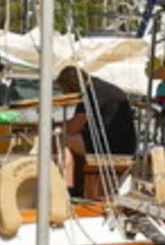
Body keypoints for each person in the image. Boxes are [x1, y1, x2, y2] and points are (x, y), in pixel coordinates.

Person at [55, 64, 138, 195]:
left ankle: (61, 188)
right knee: (69, 139)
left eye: (65, 89)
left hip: (113, 147)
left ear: (72, 85)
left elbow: (73, 128)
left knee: (59, 139)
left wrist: (53, 127)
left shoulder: (92, 93)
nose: (65, 93)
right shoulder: (98, 88)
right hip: (122, 143)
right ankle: (75, 186)